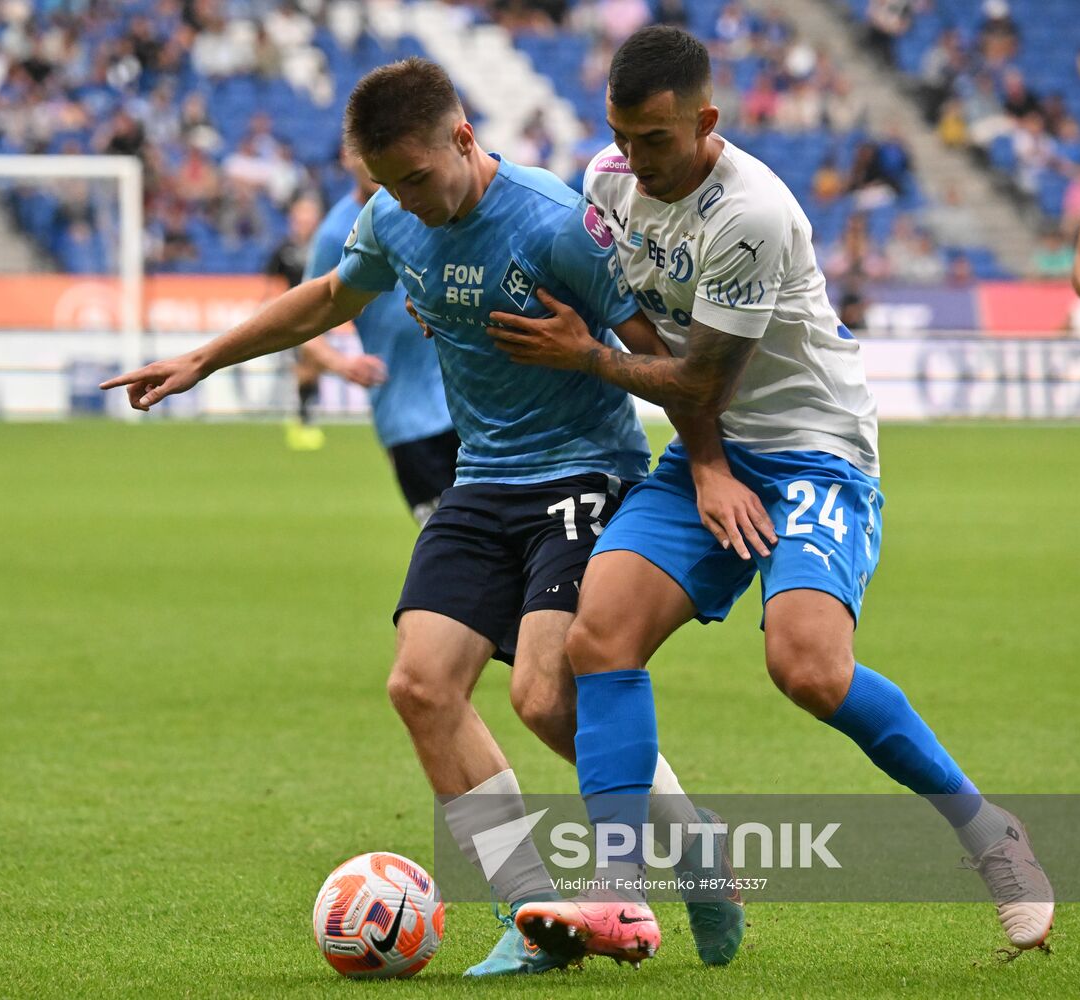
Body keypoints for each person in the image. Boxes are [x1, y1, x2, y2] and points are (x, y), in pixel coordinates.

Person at [103, 58, 766, 974]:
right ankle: (536, 915)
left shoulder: (552, 222)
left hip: (582, 470)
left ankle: (698, 858)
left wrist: (706, 465)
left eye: (416, 179)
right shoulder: (390, 217)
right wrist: (204, 359)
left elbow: (660, 355)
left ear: (464, 138)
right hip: (482, 478)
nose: (405, 204)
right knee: (420, 686)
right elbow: (334, 296)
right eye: (386, 186)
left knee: (543, 694)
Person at [493, 26, 1052, 964]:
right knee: (600, 637)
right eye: (620, 138)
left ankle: (990, 833)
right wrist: (707, 467)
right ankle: (619, 897)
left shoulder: (753, 212)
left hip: (817, 454)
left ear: (707, 121)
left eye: (655, 142)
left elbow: (696, 378)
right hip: (715, 445)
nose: (634, 161)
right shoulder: (608, 183)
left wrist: (585, 357)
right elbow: (670, 358)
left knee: (808, 668)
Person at [298, 149, 457, 524]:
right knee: (446, 534)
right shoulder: (337, 231)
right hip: (404, 413)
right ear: (346, 158)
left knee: (492, 534)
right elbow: (306, 318)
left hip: (463, 400)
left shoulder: (426, 202)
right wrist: (341, 364)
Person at [263, 195, 327, 450]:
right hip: (295, 317)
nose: (304, 222)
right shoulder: (284, 249)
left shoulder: (325, 245)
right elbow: (271, 282)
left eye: (308, 216)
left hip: (322, 315)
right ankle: (303, 419)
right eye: (300, 216)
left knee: (313, 367)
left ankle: (304, 416)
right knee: (305, 366)